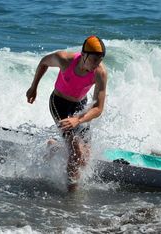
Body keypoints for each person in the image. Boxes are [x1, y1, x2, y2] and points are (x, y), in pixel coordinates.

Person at [26, 35, 107, 192]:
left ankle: (54, 147)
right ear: (84, 54)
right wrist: (33, 87)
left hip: (80, 107)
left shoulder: (100, 73)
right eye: (94, 59)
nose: (97, 64)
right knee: (76, 153)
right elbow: (43, 62)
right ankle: (71, 193)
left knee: (85, 158)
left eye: (100, 59)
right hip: (59, 104)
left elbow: (98, 108)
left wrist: (78, 119)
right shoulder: (64, 60)